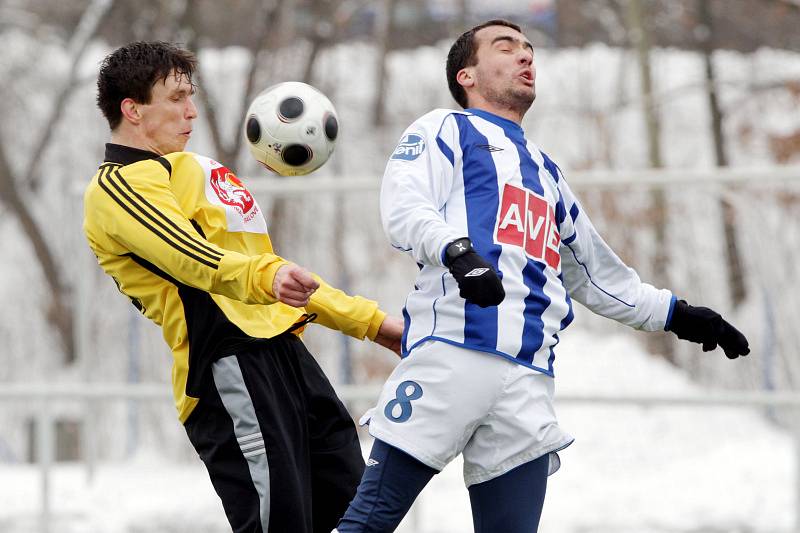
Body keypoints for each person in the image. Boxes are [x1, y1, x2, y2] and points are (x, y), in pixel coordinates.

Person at [336, 19, 750, 533]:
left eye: (530, 49)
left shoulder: (547, 173)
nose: (525, 57)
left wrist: (679, 315)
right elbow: (404, 204)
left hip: (529, 381)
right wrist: (458, 252)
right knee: (368, 522)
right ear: (466, 75)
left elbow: (599, 278)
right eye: (506, 48)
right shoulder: (445, 128)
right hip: (452, 356)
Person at [83, 41, 403, 533]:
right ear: (132, 109)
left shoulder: (200, 169)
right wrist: (267, 277)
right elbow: (191, 259)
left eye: (192, 95)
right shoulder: (118, 184)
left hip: (287, 357)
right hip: (227, 366)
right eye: (176, 98)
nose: (191, 111)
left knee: (356, 514)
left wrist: (373, 324)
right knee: (280, 523)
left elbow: (269, 267)